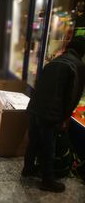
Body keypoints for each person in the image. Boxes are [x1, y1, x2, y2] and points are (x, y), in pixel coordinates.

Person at [21, 36, 85, 193]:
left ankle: (28, 169)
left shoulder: (54, 62)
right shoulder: (78, 65)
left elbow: (38, 85)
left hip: (35, 107)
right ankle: (47, 181)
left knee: (33, 141)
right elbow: (73, 95)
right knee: (49, 146)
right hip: (50, 113)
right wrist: (66, 117)